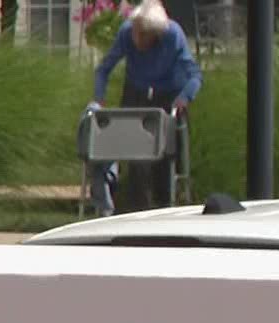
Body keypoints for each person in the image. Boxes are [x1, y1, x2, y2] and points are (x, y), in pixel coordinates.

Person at [87, 1, 204, 215]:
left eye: (144, 35)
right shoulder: (126, 33)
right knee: (136, 155)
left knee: (166, 156)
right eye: (136, 32)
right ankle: (137, 209)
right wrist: (99, 98)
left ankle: (165, 207)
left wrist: (185, 97)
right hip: (137, 89)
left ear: (156, 34)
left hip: (169, 91)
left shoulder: (172, 35)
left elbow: (194, 74)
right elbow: (104, 69)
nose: (138, 39)